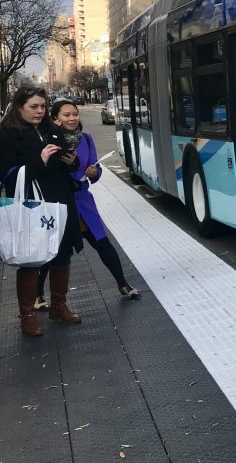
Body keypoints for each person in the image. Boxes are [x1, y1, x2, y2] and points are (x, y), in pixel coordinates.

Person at [34, 100, 140, 308]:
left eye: (75, 114)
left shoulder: (87, 139)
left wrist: (94, 173)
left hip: (83, 202)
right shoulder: (48, 141)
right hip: (59, 204)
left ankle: (123, 284)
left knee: (102, 243)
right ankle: (38, 295)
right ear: (56, 118)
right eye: (66, 115)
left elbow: (95, 169)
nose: (72, 118)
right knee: (51, 250)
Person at [0, 87, 84, 337]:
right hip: (31, 203)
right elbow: (6, 174)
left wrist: (73, 162)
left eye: (42, 106)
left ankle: (59, 305)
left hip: (60, 199)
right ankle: (27, 315)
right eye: (33, 107)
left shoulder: (52, 129)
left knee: (62, 254)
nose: (39, 111)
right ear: (19, 107)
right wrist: (40, 161)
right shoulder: (8, 134)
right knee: (31, 259)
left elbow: (66, 162)